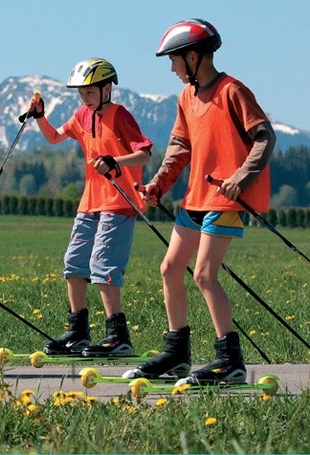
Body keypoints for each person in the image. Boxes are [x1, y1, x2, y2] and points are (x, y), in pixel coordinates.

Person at [123, 19, 275, 385]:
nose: (172, 69)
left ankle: (230, 360)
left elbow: (264, 136)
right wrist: (158, 183)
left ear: (193, 57)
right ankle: (176, 354)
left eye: (174, 60)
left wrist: (240, 177)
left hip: (225, 199)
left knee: (205, 274)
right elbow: (179, 148)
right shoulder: (186, 97)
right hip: (196, 198)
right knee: (170, 269)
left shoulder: (231, 91)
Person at [29, 58, 152, 357]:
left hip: (119, 201)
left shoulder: (121, 116)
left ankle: (118, 336)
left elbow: (145, 154)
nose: (85, 98)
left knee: (103, 266)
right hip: (90, 203)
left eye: (90, 92)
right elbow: (55, 137)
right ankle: (78, 332)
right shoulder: (82, 115)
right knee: (74, 263)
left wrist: (115, 161)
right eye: (81, 93)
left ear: (107, 89)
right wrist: (40, 117)